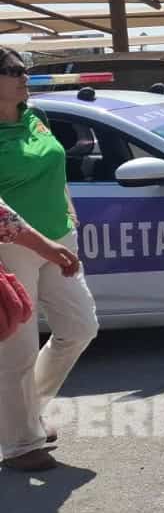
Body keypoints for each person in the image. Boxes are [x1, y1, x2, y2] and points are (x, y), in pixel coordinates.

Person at [0, 46, 95, 473]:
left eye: (26, 70)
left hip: (58, 238)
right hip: (10, 248)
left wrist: (69, 212)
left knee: (79, 327)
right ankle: (20, 444)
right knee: (16, 349)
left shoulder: (37, 117)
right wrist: (46, 244)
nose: (24, 77)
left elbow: (55, 170)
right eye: (13, 71)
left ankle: (27, 412)